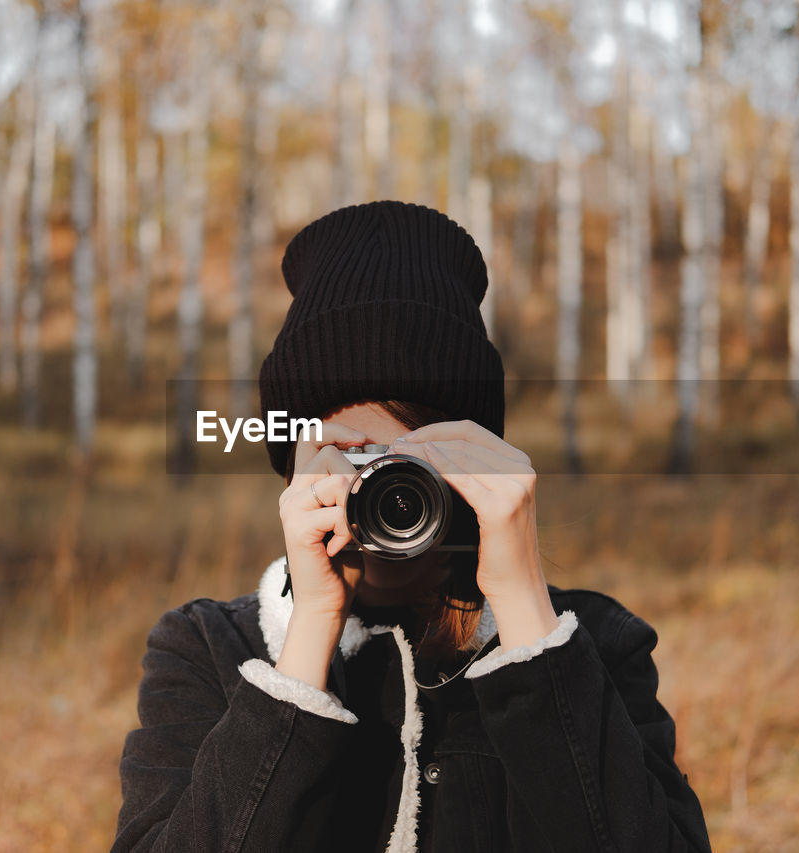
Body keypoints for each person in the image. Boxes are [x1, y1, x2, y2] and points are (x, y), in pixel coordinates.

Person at [113, 201, 711, 852]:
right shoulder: (208, 650)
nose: (386, 494)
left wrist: (524, 612)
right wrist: (310, 632)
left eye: (418, 462)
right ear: (293, 468)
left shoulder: (592, 645)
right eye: (351, 457)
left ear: (481, 464)